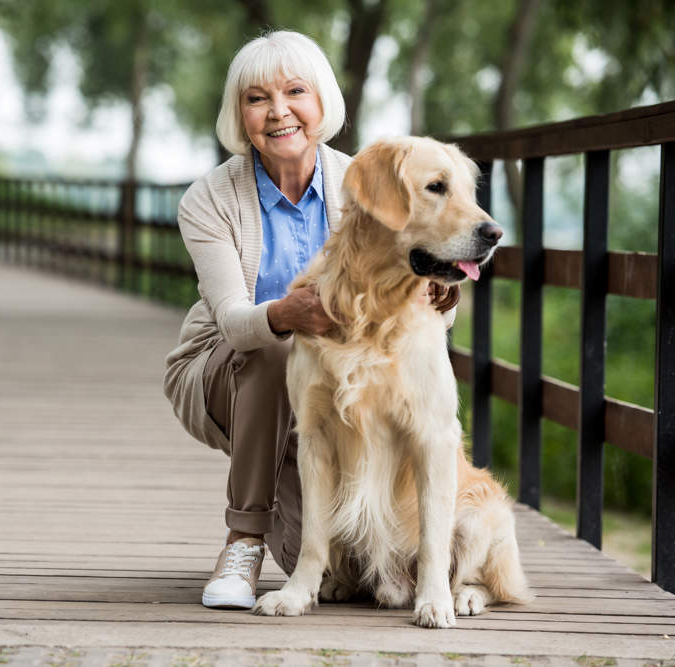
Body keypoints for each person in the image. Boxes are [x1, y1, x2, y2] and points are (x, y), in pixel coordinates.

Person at [162, 30, 458, 610]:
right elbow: (232, 323)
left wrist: (441, 295)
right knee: (276, 348)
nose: (278, 112)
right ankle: (243, 541)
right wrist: (286, 313)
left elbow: (410, 285)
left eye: (295, 91)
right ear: (239, 115)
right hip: (228, 368)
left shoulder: (366, 182)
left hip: (335, 385)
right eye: (256, 99)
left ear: (322, 102)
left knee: (350, 576)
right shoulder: (208, 200)